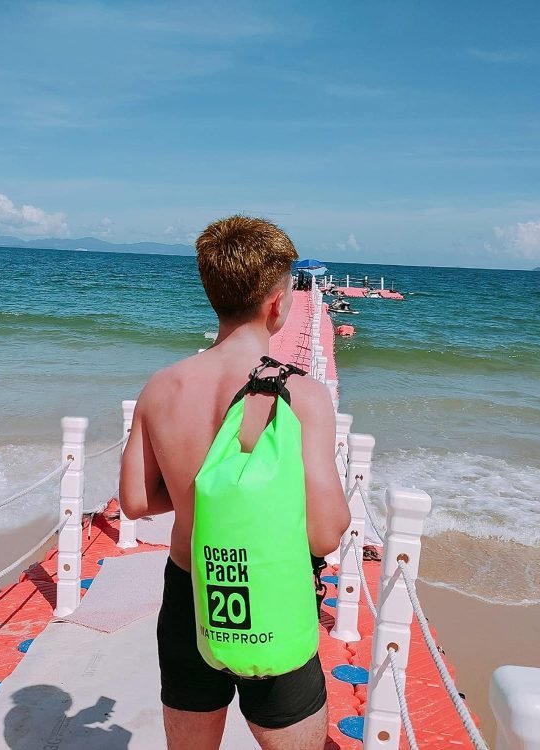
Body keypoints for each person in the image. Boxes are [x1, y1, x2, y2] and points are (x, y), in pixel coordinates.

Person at [120, 216, 350, 750]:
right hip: (270, 591)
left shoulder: (162, 386)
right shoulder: (300, 395)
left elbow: (134, 501)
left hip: (189, 589)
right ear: (277, 302)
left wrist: (195, 493)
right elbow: (324, 534)